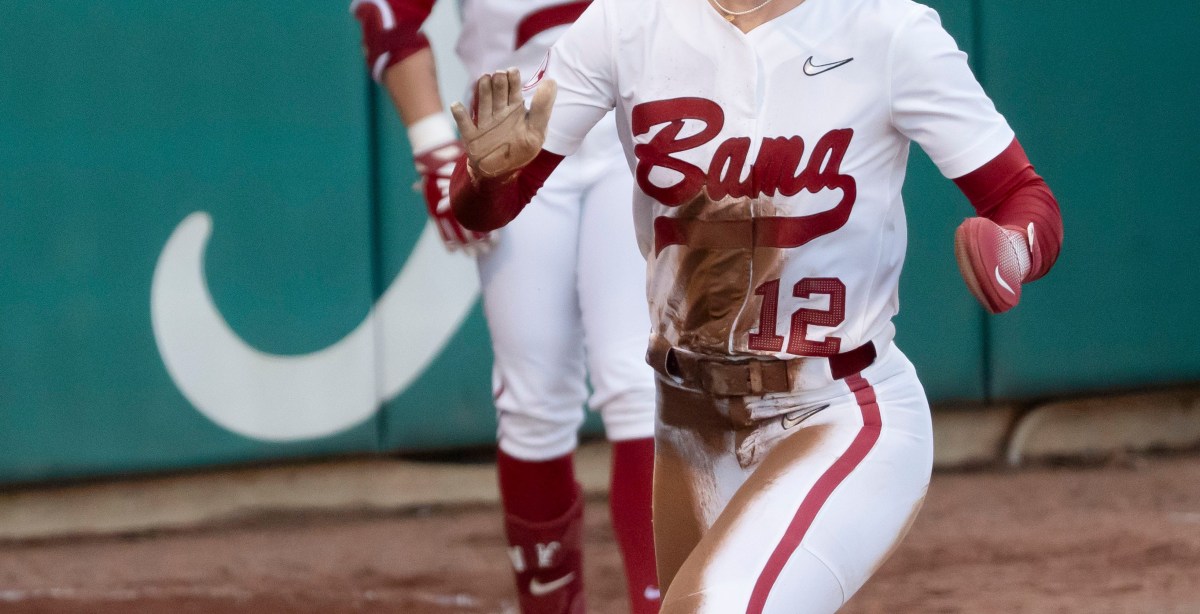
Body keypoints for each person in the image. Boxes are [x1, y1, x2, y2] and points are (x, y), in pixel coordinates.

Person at [446, 0, 1064, 611]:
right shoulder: (624, 21)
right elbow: (491, 204)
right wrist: (486, 177)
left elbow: (1021, 197)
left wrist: (1011, 252)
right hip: (691, 423)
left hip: (837, 407)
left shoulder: (889, 28)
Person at [351, 1, 661, 612]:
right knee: (533, 396)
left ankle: (662, 602)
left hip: (641, 107)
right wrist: (435, 149)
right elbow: (390, 15)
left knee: (640, 382)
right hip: (510, 124)